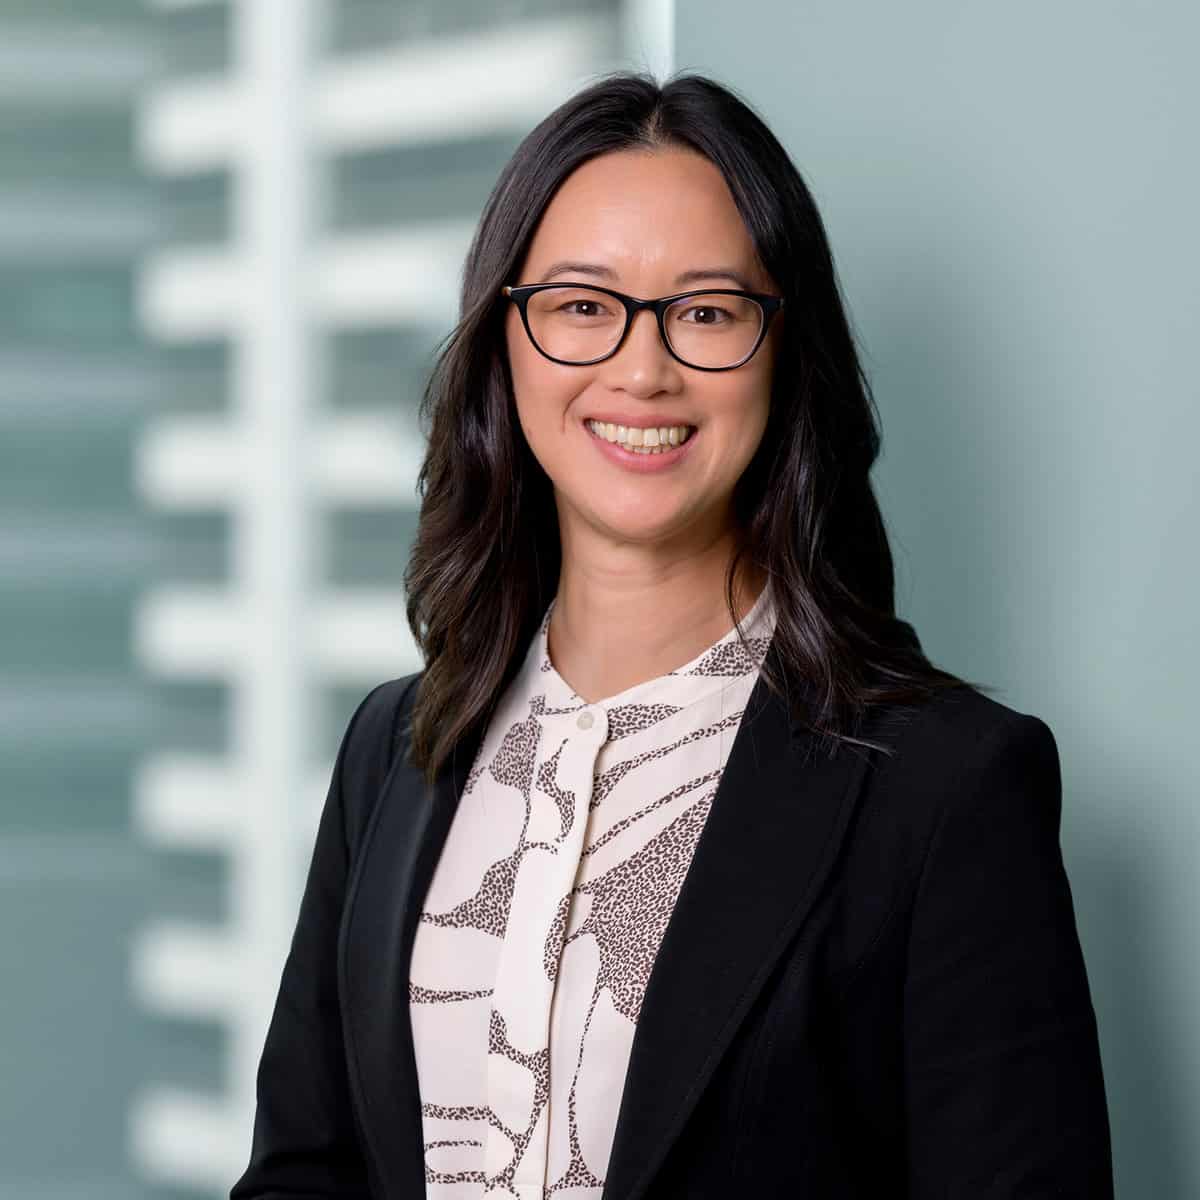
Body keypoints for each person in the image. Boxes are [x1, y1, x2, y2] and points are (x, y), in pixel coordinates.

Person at [231, 71, 1113, 1199]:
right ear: (508, 340)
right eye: (583, 306)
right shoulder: (396, 749)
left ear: (784, 353)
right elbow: (305, 1171)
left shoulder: (946, 787)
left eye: (706, 312)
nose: (642, 368)